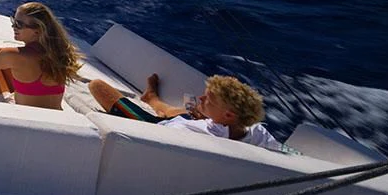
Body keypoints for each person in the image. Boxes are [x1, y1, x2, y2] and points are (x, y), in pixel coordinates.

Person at [88, 72, 287, 152]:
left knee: (97, 86)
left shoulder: (188, 132)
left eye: (208, 99)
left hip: (153, 126)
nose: (201, 98)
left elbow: (161, 129)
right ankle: (153, 98)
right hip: (191, 121)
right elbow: (289, 153)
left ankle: (152, 99)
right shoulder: (258, 132)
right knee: (186, 112)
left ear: (228, 115)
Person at [0, 2, 81, 109]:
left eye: (19, 24)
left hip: (20, 115)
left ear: (37, 30)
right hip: (53, 116)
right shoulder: (58, 53)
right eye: (13, 21)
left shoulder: (15, 55)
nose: (13, 27)